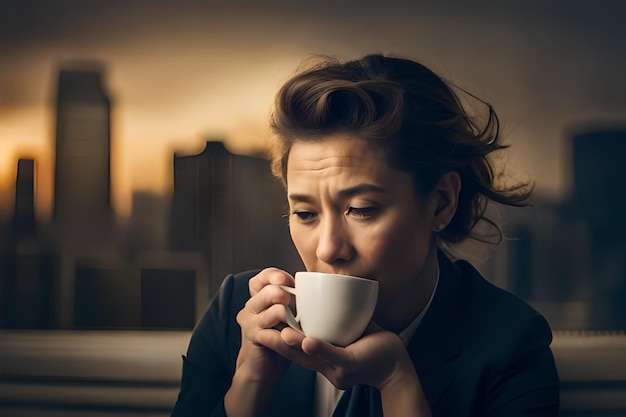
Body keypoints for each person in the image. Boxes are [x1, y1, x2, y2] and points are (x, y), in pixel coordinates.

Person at [170, 53, 560, 417]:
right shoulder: (237, 316)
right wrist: (250, 383)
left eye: (361, 210)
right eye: (305, 213)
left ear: (440, 203)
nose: (328, 248)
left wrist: (398, 383)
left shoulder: (510, 346)